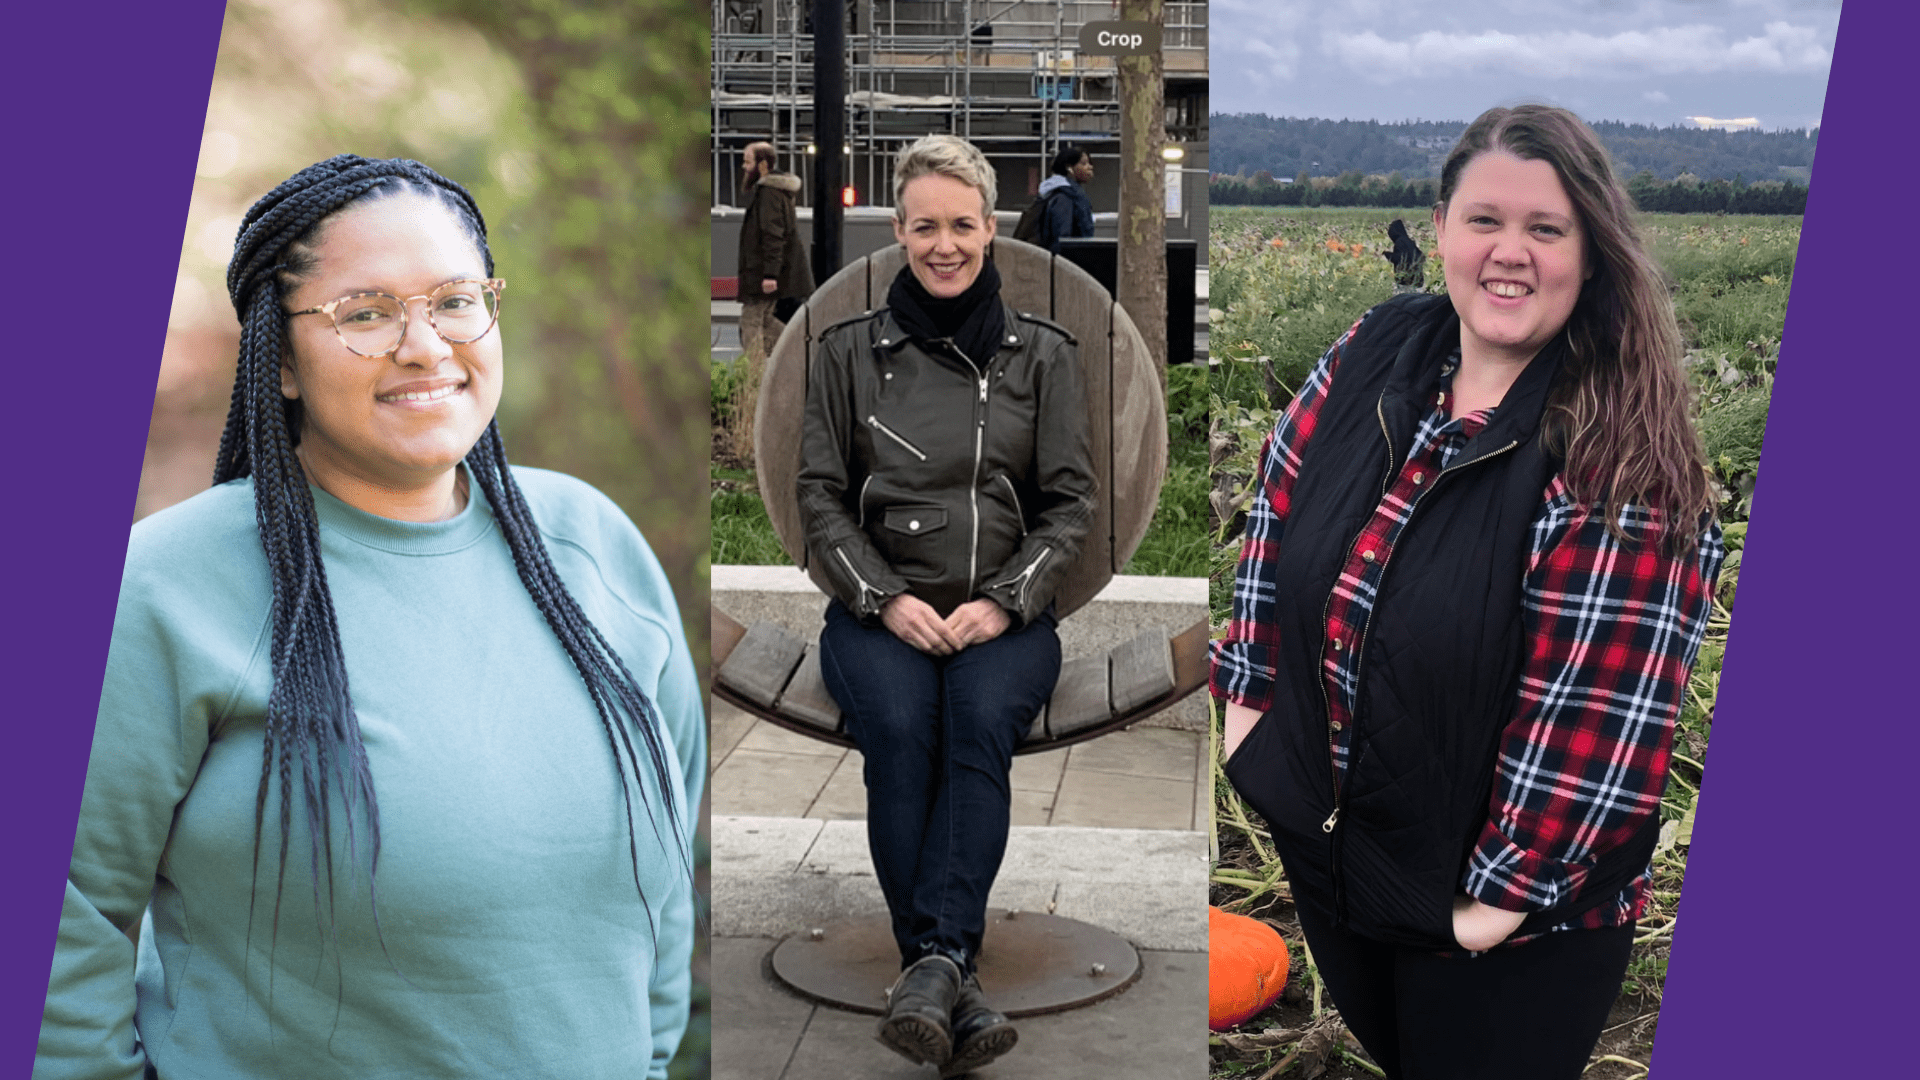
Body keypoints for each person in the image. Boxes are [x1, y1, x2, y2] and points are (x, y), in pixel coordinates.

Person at [35, 156, 703, 1080]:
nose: (425, 344)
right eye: (366, 313)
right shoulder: (166, 588)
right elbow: (61, 924)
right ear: (281, 363)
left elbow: (663, 898)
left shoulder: (592, 547)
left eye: (456, 300)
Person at [1212, 106, 1724, 1080]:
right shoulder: (1379, 347)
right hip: (1340, 853)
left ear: (1592, 251)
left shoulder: (1620, 448)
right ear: (1441, 224)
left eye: (1546, 228)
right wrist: (1250, 722)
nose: (1511, 253)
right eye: (1486, 219)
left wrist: (1489, 909)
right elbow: (1277, 514)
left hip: (1508, 924)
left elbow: (1598, 712)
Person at [797, 134, 1095, 1076]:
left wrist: (1008, 601)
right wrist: (881, 598)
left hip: (1002, 620)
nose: (944, 245)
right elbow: (819, 496)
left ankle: (930, 968)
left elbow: (1070, 503)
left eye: (962, 225)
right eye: (925, 226)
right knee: (898, 725)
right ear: (899, 231)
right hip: (874, 616)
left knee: (975, 725)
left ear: (992, 229)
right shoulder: (845, 354)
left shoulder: (1042, 356)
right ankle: (946, 968)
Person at [738, 140, 815, 363]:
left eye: (747, 161)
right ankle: (797, 355)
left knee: (751, 320)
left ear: (762, 165)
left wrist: (770, 274)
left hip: (764, 273)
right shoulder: (776, 192)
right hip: (768, 272)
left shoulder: (768, 194)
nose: (744, 167)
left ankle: (755, 374)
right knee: (767, 319)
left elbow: (773, 236)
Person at [1037, 145, 1096, 253]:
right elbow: (1061, 238)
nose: (1090, 167)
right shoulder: (1064, 198)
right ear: (1069, 168)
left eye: (1089, 163)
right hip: (1067, 261)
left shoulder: (1066, 194)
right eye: (1083, 163)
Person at [1381, 217, 1426, 292]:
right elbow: (1422, 257)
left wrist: (1386, 254)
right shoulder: (1410, 241)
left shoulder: (1399, 242)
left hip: (1406, 282)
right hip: (1418, 281)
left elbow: (1399, 258)